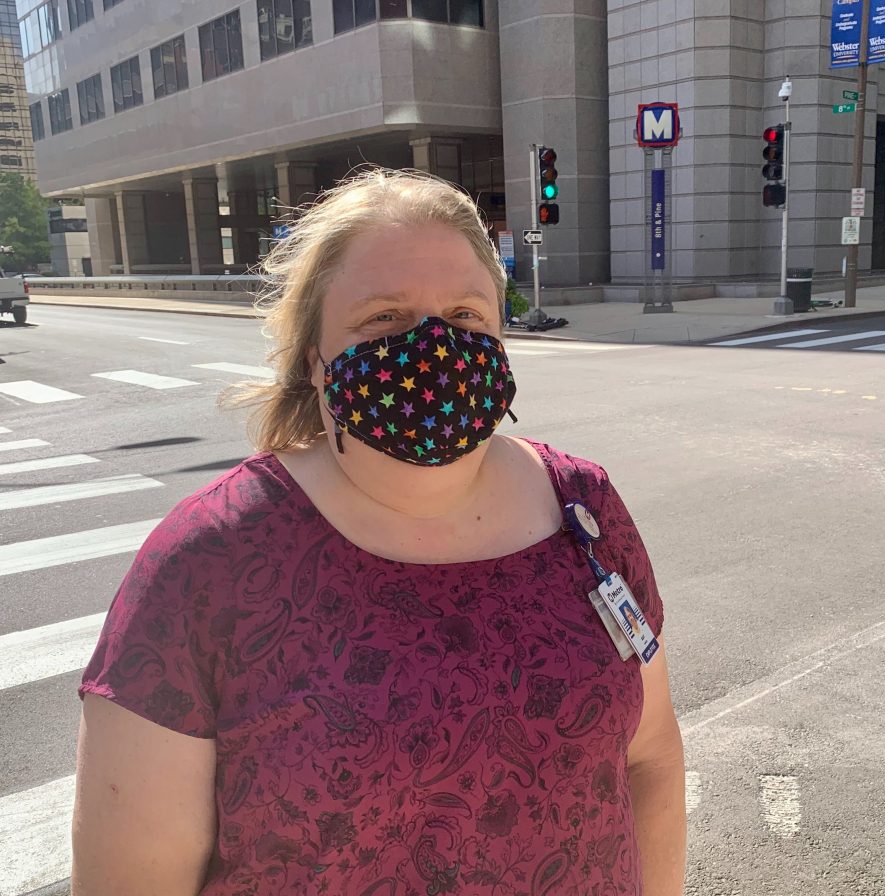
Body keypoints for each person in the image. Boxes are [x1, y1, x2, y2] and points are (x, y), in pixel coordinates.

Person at [72, 169, 686, 895]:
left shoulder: (585, 510)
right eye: (385, 319)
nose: (433, 348)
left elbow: (650, 758)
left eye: (465, 316)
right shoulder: (209, 561)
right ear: (314, 361)